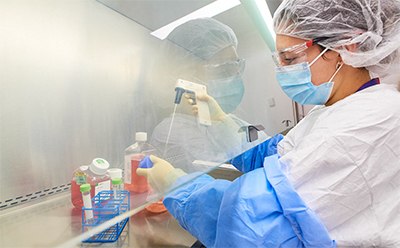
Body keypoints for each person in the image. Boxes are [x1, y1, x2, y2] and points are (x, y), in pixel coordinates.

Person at [138, 0, 400, 247]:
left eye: (290, 58)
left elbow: (251, 223)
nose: (283, 70)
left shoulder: (365, 122)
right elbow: (274, 156)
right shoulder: (339, 110)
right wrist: (222, 119)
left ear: (345, 48)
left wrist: (176, 184)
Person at [149, 18, 270, 173]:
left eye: (237, 66)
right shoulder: (172, 132)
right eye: (225, 68)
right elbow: (229, 178)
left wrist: (223, 122)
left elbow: (271, 157)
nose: (235, 76)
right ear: (188, 74)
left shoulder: (231, 120)